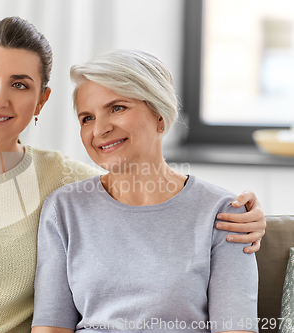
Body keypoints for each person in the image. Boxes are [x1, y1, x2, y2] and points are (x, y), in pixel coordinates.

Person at [0, 17, 264, 333]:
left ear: (41, 99)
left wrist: (248, 216)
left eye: (19, 84)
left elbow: (138, 189)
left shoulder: (60, 178)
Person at [31, 49, 258, 333]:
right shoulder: (63, 209)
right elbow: (50, 327)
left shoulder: (223, 213)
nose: (99, 129)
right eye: (87, 118)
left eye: (117, 107)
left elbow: (237, 328)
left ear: (160, 117)